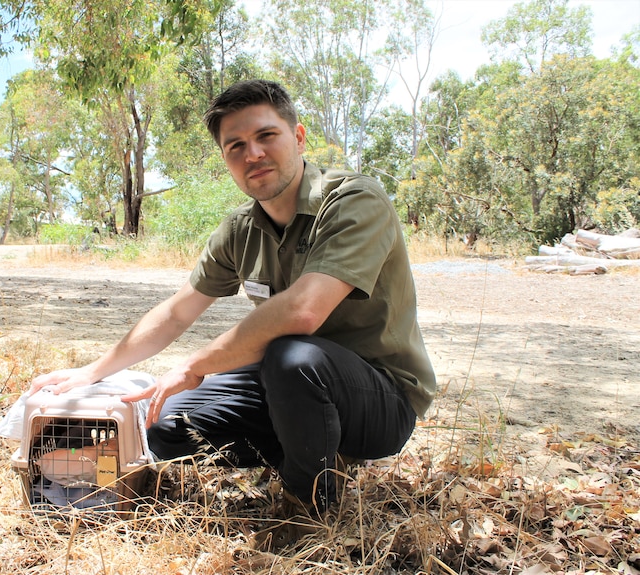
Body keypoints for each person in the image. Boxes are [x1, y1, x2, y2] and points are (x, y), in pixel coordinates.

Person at [29, 79, 435, 516]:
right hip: (289, 385)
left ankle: (307, 504)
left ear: (298, 138)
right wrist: (91, 372)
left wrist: (193, 365)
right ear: (226, 160)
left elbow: (303, 311)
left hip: (381, 398)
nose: (252, 154)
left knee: (291, 357)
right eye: (235, 146)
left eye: (265, 136)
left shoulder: (353, 200)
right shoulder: (240, 230)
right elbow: (175, 312)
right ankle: (309, 451)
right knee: (165, 422)